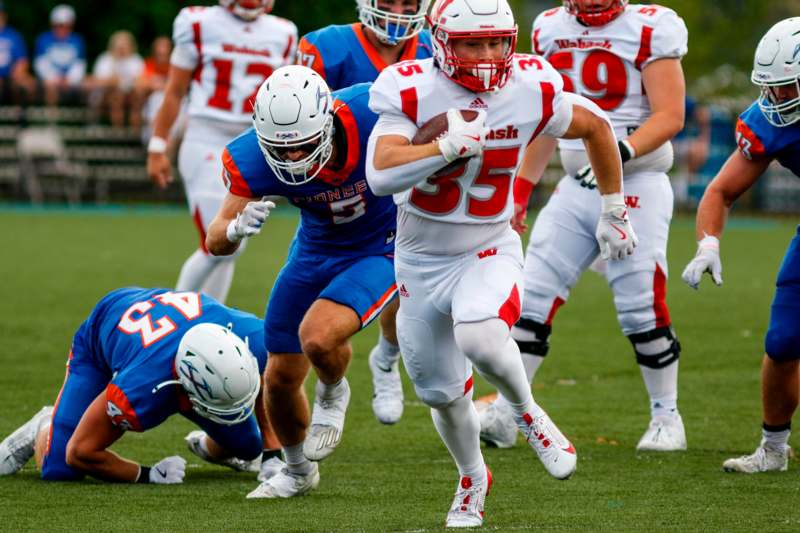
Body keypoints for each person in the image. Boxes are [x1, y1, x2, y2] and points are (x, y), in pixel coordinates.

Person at [366, 0, 636, 526]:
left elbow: (597, 126)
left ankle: (525, 411)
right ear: (442, 41)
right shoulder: (411, 87)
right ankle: (472, 478)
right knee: (441, 395)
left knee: (481, 335)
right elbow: (381, 174)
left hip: (488, 244)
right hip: (420, 259)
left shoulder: (530, 83)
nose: (487, 55)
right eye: (472, 43)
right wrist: (443, 147)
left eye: (495, 41)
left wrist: (613, 208)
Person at [476, 0, 688, 453]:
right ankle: (512, 414)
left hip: (639, 181)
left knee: (639, 305)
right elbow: (546, 119)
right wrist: (522, 188)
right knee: (529, 297)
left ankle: (666, 417)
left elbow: (670, 115)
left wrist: (621, 153)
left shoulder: (652, 26)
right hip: (577, 185)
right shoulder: (551, 27)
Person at [206, 65, 399, 498]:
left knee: (317, 338)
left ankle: (334, 389)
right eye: (281, 149)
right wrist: (235, 229)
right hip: (314, 248)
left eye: (304, 147)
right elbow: (214, 238)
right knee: (278, 377)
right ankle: (296, 471)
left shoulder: (372, 110)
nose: (293, 159)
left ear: (328, 123)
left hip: (383, 245)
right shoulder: (252, 156)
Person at [297, 0, 433, 426]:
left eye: (406, 3)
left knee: (406, 288)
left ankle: (387, 358)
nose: (396, 11)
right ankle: (357, 371)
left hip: (414, 176)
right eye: (387, 2)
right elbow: (296, 117)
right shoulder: (327, 47)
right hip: (347, 188)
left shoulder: (437, 45)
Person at [0, 287, 285, 484]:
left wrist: (272, 452)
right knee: (61, 468)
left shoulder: (256, 339)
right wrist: (145, 475)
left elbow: (265, 373)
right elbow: (81, 453)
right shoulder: (143, 388)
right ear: (184, 387)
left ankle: (204, 445)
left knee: (250, 447)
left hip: (173, 326)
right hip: (105, 333)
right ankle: (46, 423)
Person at [682, 17, 800, 473]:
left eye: (787, 88)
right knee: (784, 340)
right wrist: (708, 243)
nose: (775, 99)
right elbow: (720, 191)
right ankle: (773, 449)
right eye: (772, 88)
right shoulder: (769, 121)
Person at [146, 0, 297, 304]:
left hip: (253, 145)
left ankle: (207, 319)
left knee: (231, 247)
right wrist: (158, 145)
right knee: (220, 239)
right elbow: (175, 90)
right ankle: (172, 315)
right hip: (206, 137)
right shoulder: (198, 22)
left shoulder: (284, 32)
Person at [33, 4, 87, 107]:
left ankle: (89, 121)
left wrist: (70, 79)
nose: (62, 28)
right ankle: (51, 120)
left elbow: (79, 64)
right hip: (49, 80)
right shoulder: (43, 39)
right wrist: (54, 78)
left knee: (89, 85)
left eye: (65, 25)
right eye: (59, 25)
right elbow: (40, 64)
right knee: (50, 86)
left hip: (71, 80)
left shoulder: (77, 40)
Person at [89, 31, 145, 128]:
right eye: (119, 46)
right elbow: (99, 82)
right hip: (106, 96)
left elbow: (141, 81)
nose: (121, 49)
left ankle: (134, 132)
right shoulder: (105, 59)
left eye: (124, 46)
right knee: (116, 96)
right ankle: (119, 131)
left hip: (130, 96)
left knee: (135, 96)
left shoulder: (136, 60)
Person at [0, 1, 34, 104]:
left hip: (11, 76)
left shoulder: (14, 36)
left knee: (27, 83)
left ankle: (20, 117)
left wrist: (18, 71)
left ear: (4, 16)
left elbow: (23, 61)